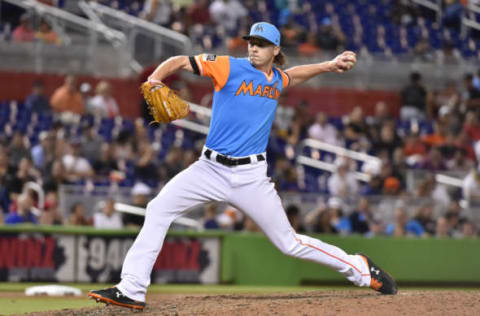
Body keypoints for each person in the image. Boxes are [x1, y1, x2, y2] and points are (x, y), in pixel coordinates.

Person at [89, 22, 397, 310]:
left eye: (262, 44)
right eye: (251, 42)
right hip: (208, 170)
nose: (253, 48)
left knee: (288, 243)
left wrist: (328, 65)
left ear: (275, 50)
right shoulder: (228, 67)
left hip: (251, 177)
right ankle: (132, 289)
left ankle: (359, 268)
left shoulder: (277, 78)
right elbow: (181, 60)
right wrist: (155, 78)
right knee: (158, 209)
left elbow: (296, 74)